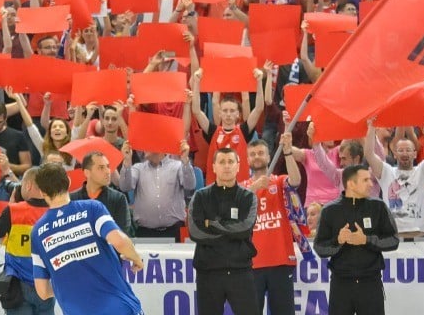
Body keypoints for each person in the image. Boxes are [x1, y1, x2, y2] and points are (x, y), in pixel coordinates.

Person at [30, 164, 144, 315]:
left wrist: (67, 286)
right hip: (118, 308)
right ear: (68, 181)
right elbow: (119, 241)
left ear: (42, 192)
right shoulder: (91, 208)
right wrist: (136, 259)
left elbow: (42, 291)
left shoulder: (37, 232)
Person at [313, 164, 400, 315]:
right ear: (351, 184)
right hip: (341, 285)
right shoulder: (329, 210)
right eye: (365, 180)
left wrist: (366, 240)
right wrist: (338, 241)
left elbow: (394, 240)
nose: (371, 184)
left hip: (370, 284)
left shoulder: (378, 206)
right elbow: (320, 248)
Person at [187, 148, 260, 315]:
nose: (226, 166)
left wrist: (212, 224)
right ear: (213, 167)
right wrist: (229, 230)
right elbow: (195, 231)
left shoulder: (248, 197)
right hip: (208, 273)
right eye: (221, 162)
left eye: (230, 162)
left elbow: (244, 229)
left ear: (238, 166)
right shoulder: (200, 196)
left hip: (240, 272)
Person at [244, 133, 304, 315]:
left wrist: (287, 153)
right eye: (253, 154)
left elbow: (296, 180)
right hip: (251, 264)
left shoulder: (278, 181)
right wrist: (253, 188)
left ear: (269, 156)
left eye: (261, 153)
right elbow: (233, 209)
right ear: (247, 159)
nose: (257, 157)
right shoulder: (242, 188)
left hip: (280, 260)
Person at [364, 107, 424, 237]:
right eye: (400, 150)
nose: (404, 153)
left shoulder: (423, 171)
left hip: (419, 236)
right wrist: (372, 126)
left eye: (408, 150)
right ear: (394, 154)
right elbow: (369, 154)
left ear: (415, 154)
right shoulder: (387, 172)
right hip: (393, 237)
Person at [0, 167, 52, 315]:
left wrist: (10, 205)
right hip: (47, 284)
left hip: (18, 285)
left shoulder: (14, 210)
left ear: (28, 185)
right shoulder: (55, 212)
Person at [119, 139, 196, 241]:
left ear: (159, 145)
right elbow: (125, 187)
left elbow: (190, 186)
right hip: (145, 232)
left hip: (174, 231)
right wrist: (127, 161)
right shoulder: (138, 168)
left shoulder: (177, 166)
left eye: (148, 144)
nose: (143, 148)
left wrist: (185, 160)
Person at [69, 151, 131, 233]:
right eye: (101, 168)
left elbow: (122, 233)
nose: (107, 171)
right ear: (87, 173)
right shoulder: (71, 199)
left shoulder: (118, 198)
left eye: (108, 167)